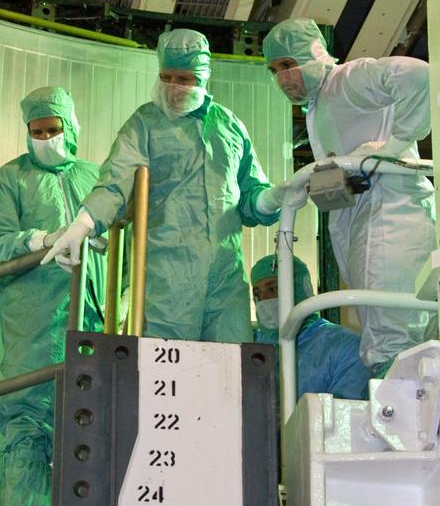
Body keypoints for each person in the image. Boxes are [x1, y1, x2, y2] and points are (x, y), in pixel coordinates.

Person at [43, 29, 283, 341]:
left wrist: (271, 198)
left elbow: (249, 195)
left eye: (184, 79)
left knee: (230, 362)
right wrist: (83, 223)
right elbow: (115, 181)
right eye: (166, 77)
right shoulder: (144, 124)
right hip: (166, 280)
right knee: (166, 365)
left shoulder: (230, 126)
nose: (174, 87)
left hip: (225, 281)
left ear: (204, 77)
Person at [262, 18, 437, 373]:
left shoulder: (346, 80)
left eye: (287, 64)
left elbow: (418, 76)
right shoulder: (321, 104)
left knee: (395, 341)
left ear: (312, 53)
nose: (282, 78)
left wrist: (393, 147)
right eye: (274, 70)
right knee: (393, 338)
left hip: (391, 214)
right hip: (369, 216)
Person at [0, 86, 104, 506]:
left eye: (54, 129)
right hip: (34, 318)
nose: (46, 138)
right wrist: (43, 239)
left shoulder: (95, 177)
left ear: (70, 127)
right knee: (29, 418)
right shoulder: (11, 179)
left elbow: (123, 239)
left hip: (93, 316)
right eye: (37, 132)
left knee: (91, 416)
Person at [252, 253, 371, 401]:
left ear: (300, 289)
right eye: (257, 294)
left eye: (273, 289)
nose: (264, 300)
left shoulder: (345, 346)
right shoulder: (253, 345)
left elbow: (347, 410)